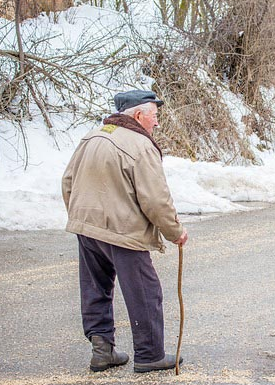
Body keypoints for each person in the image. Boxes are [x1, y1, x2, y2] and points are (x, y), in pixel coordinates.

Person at [61, 89, 188, 373]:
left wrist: (81, 216)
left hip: (87, 226)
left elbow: (68, 181)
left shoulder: (92, 137)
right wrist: (174, 231)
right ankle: (150, 355)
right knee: (145, 292)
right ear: (139, 115)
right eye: (154, 117)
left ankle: (102, 351)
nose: (156, 123)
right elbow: (155, 199)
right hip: (122, 230)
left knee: (96, 289)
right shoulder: (140, 145)